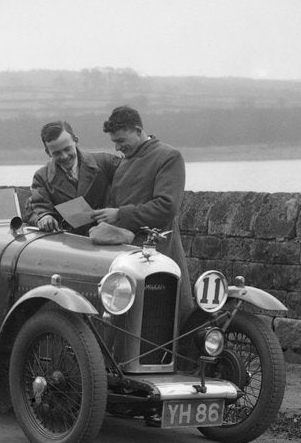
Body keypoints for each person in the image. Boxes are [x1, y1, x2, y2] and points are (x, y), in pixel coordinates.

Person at [91, 105, 194, 314]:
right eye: (114, 142)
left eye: (121, 141)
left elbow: (166, 207)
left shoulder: (169, 156)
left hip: (158, 254)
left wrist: (120, 214)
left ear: (138, 131)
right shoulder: (126, 160)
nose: (118, 148)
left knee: (161, 317)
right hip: (126, 255)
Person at [25, 120, 120, 234]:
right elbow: (35, 207)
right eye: (57, 153)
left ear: (76, 140)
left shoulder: (106, 162)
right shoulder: (41, 177)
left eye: (67, 149)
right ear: (48, 152)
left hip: (110, 239)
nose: (64, 156)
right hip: (71, 244)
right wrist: (44, 217)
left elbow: (135, 179)